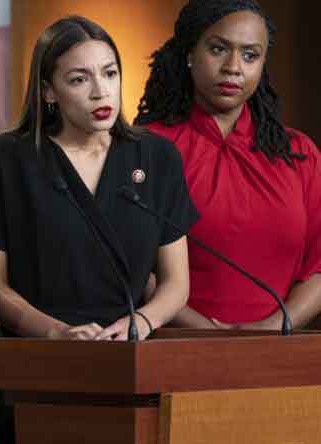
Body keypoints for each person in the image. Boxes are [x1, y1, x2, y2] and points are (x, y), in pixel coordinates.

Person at [0, 16, 198, 341]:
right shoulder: (7, 158)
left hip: (130, 356)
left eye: (110, 73)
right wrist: (56, 333)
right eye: (79, 80)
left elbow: (176, 283)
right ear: (49, 91)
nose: (100, 91)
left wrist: (142, 323)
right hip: (34, 358)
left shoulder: (157, 156)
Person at [135, 0, 321, 330]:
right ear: (190, 53)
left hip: (277, 355)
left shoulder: (299, 153)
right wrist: (204, 332)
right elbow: (129, 262)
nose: (233, 67)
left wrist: (275, 327)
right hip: (172, 349)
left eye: (250, 55)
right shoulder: (146, 148)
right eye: (219, 49)